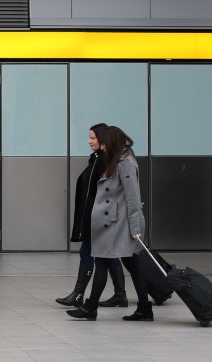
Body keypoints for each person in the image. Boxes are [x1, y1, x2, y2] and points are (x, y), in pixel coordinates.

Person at [67, 126, 152, 321]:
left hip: (119, 225)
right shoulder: (117, 159)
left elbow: (132, 197)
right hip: (112, 223)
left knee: (113, 264)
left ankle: (92, 308)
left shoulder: (125, 163)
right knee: (122, 264)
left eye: (101, 142)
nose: (98, 145)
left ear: (111, 141)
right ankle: (142, 308)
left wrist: (135, 228)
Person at [55, 123, 127, 308]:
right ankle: (120, 295)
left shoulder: (102, 159)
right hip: (96, 215)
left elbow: (99, 191)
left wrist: (89, 216)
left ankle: (78, 295)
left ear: (103, 139)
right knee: (109, 256)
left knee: (87, 252)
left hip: (97, 216)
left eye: (93, 138)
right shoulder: (98, 158)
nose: (89, 141)